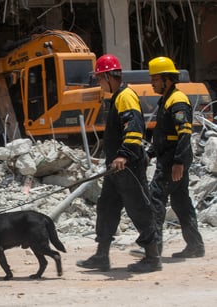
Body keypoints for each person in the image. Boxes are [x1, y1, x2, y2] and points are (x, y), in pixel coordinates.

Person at [76, 54, 161, 272]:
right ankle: (101, 255)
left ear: (107, 76)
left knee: (139, 208)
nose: (99, 83)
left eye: (99, 78)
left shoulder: (125, 96)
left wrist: (124, 155)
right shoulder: (117, 97)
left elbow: (133, 128)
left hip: (128, 166)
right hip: (116, 168)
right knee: (107, 208)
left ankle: (152, 257)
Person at [147, 56, 205, 258]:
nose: (152, 83)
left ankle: (153, 250)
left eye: (155, 79)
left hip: (173, 159)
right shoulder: (167, 100)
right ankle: (195, 246)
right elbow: (164, 135)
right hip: (170, 156)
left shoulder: (177, 101)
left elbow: (184, 134)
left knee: (156, 197)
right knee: (180, 202)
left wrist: (179, 162)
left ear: (167, 79)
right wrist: (150, 152)